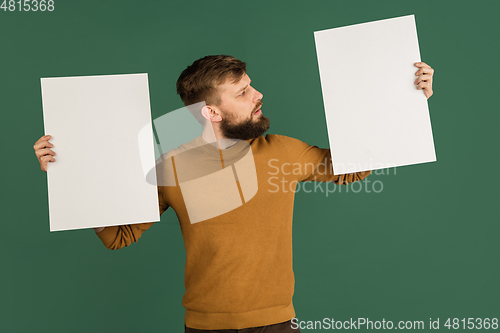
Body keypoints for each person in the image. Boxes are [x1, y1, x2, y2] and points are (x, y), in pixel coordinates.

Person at [33, 55, 435, 332]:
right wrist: (68, 172)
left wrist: (407, 98)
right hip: (206, 327)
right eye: (242, 92)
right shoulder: (170, 166)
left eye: (250, 84)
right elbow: (118, 236)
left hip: (278, 325)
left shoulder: (282, 151)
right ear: (210, 111)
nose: (258, 93)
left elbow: (355, 167)